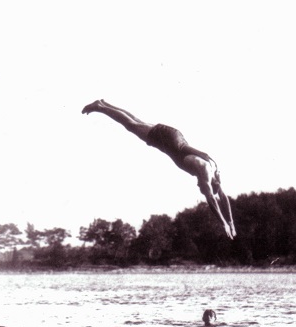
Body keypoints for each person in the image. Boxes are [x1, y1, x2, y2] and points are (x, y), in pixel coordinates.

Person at [82, 99, 237, 239]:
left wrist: (231, 222)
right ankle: (100, 107)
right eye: (202, 188)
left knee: (136, 121)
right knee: (130, 125)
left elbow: (223, 198)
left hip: (176, 136)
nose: (199, 187)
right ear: (209, 185)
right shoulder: (203, 174)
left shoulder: (214, 168)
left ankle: (104, 103)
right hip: (169, 141)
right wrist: (223, 223)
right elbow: (212, 200)